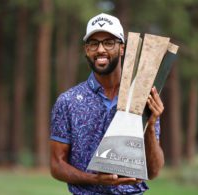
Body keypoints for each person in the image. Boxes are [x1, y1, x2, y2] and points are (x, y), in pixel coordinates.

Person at [50, 13, 164, 195]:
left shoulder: (140, 96)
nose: (100, 49)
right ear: (86, 50)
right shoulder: (68, 101)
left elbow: (153, 171)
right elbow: (56, 165)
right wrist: (95, 179)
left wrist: (150, 125)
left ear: (122, 48)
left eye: (109, 42)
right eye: (93, 43)